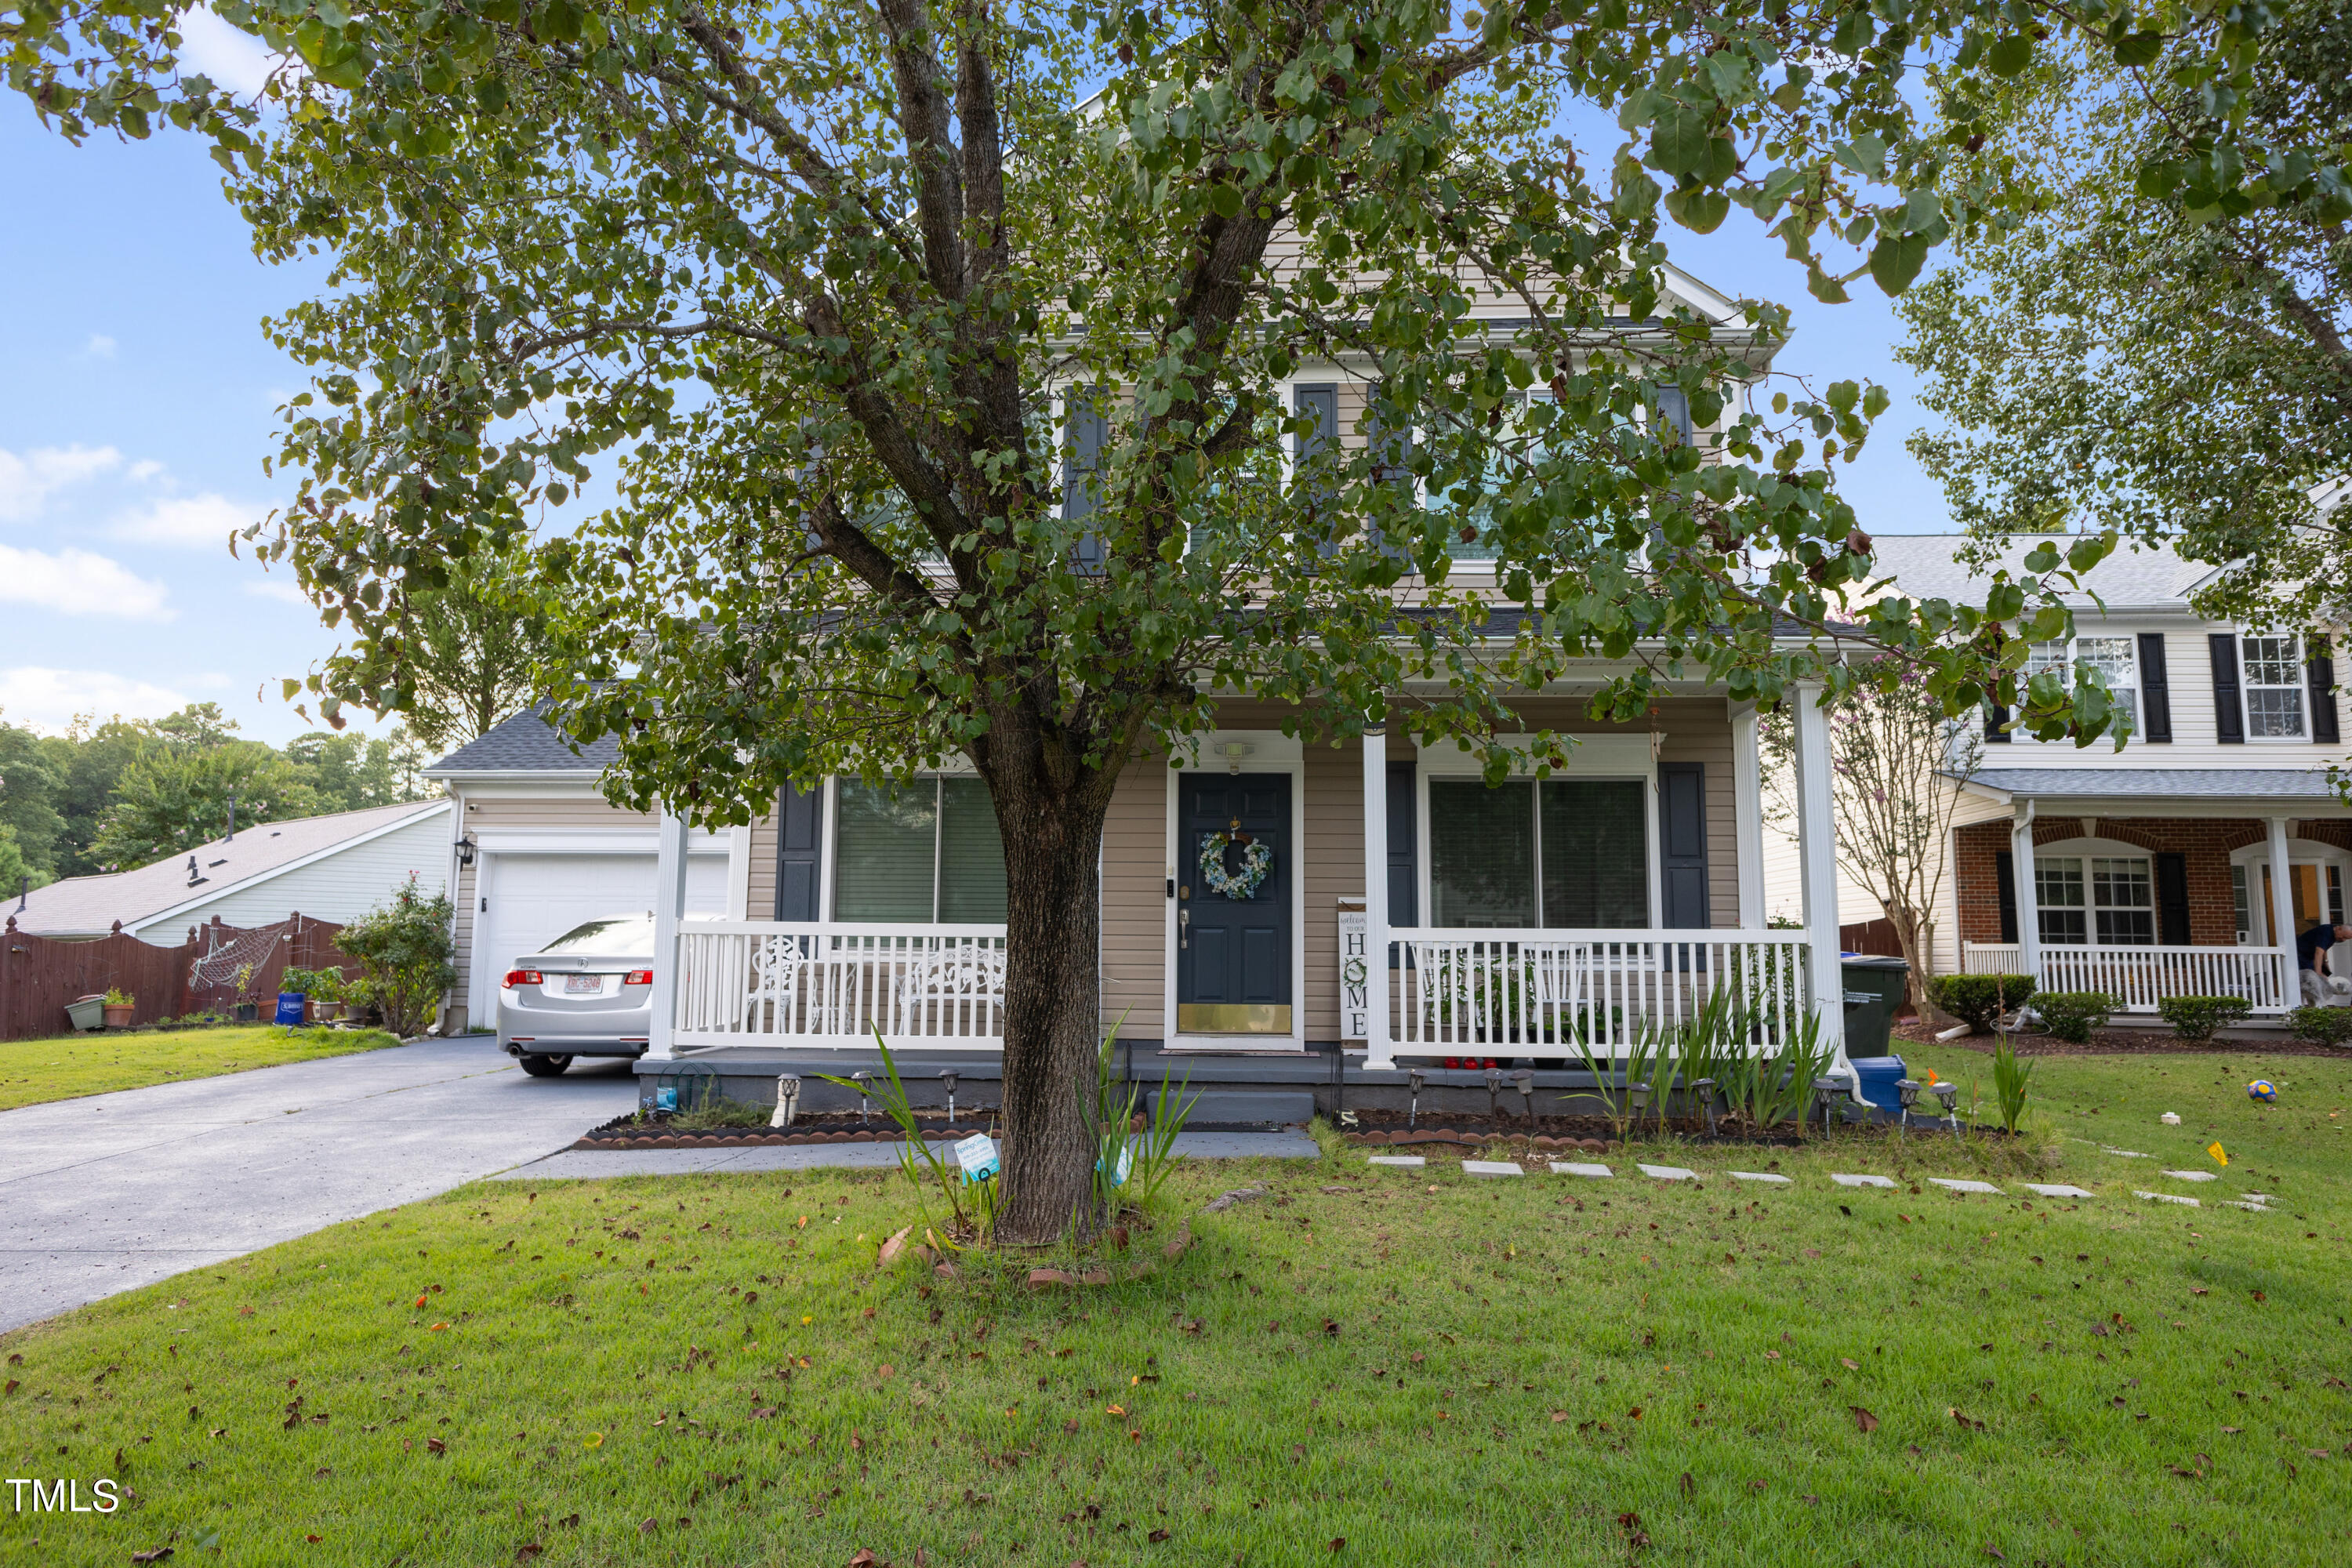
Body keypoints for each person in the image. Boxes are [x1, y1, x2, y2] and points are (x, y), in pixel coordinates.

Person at [2296, 921, 2352, 1006]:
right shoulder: (2325, 932)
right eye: (2343, 937)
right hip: (2300, 955)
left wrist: (2325, 963)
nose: (2343, 940)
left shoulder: (2334, 934)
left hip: (2309, 957)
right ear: (2339, 929)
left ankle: (2318, 1001)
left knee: (2325, 976)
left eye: (2346, 939)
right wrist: (2318, 974)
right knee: (2311, 980)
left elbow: (2323, 948)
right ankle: (2304, 1003)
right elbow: (2319, 953)